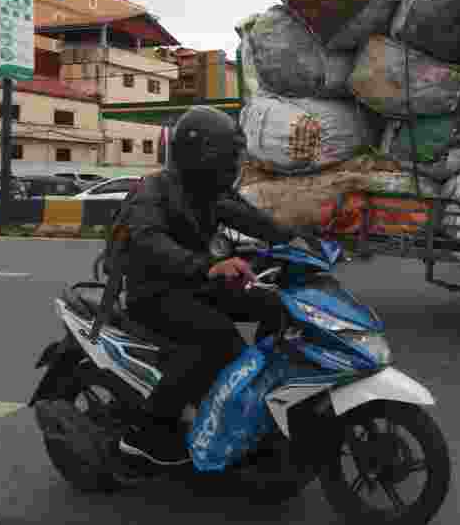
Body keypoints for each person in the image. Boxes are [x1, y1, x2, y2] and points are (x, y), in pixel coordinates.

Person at [111, 105, 320, 466]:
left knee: (277, 306)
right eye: (226, 157)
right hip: (154, 293)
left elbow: (255, 221)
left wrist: (303, 241)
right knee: (217, 338)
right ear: (200, 155)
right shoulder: (153, 191)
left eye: (234, 157)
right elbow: (148, 241)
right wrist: (209, 266)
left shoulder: (208, 191)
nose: (233, 166)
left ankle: (259, 393)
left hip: (196, 284)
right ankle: (147, 434)